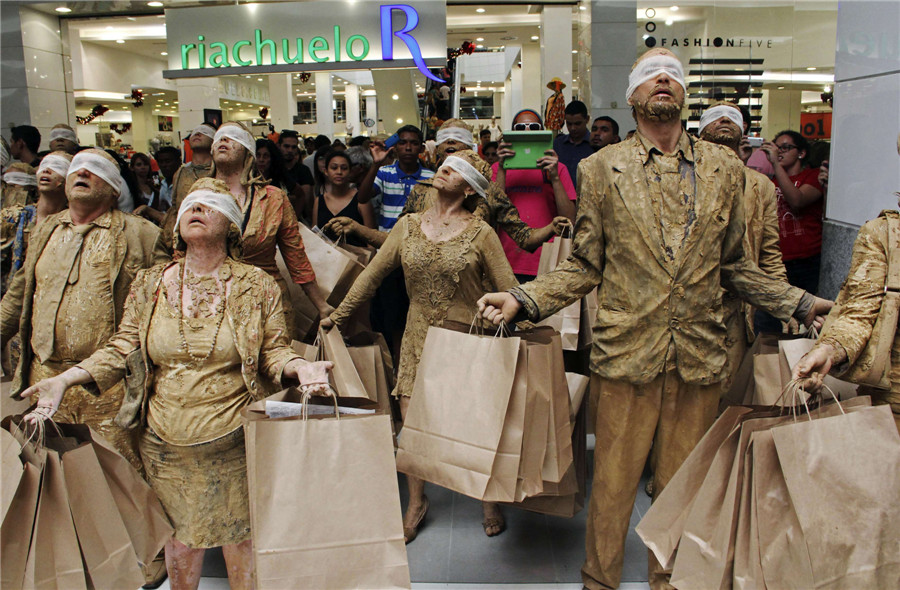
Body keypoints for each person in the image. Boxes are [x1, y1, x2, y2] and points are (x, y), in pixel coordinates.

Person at [476, 48, 832, 590]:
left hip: (700, 356)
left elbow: (736, 268)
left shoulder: (725, 172)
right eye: (649, 75)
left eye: (673, 75)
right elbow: (585, 265)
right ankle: (601, 580)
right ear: (633, 95)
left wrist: (801, 305)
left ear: (683, 94)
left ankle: (667, 582)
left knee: (680, 490)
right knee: (614, 489)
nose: (663, 79)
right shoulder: (599, 169)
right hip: (626, 358)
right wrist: (522, 301)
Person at [21, 178, 334, 590]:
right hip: (163, 442)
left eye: (209, 205)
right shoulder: (150, 283)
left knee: (241, 540)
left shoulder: (255, 286)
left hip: (233, 439)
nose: (196, 210)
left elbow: (273, 351)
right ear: (176, 225)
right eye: (189, 205)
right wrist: (66, 378)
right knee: (179, 543)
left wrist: (301, 368)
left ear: (232, 225)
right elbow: (121, 347)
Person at [322, 149, 519, 543]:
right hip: (416, 338)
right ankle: (416, 501)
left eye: (453, 170)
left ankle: (486, 497)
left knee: (473, 420)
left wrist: (516, 318)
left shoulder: (481, 233)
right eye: (443, 167)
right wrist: (338, 316)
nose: (441, 172)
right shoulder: (409, 225)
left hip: (466, 338)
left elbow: (509, 287)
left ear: (467, 188)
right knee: (412, 427)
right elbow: (373, 274)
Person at [0, 147, 168, 587]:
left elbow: (162, 302)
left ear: (114, 189)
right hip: (42, 376)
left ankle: (144, 560)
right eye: (76, 169)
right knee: (53, 472)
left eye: (94, 171)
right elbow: (20, 294)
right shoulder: (46, 230)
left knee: (120, 471)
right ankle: (75, 561)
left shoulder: (140, 234)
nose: (81, 175)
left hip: (107, 382)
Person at [325, 119, 567, 255]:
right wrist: (358, 228)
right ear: (436, 149)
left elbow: (525, 238)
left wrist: (551, 228)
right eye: (445, 140)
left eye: (457, 139)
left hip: (472, 288)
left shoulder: (489, 192)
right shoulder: (421, 191)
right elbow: (396, 241)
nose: (450, 142)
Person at [204, 122, 332, 330]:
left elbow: (296, 257)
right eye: (219, 137)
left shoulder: (273, 199)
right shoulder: (198, 197)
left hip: (267, 303)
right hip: (213, 305)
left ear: (248, 152)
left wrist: (321, 306)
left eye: (233, 136)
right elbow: (181, 256)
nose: (224, 140)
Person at [698, 102, 789, 387]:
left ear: (744, 133)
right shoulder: (680, 177)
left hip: (735, 307)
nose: (724, 119)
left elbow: (769, 251)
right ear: (700, 133)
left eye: (732, 118)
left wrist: (785, 302)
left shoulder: (760, 185)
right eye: (714, 117)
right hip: (689, 304)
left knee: (727, 392)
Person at [755, 130, 825, 333]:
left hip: (805, 261)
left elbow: (797, 200)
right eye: (776, 147)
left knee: (805, 322)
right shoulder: (770, 182)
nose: (779, 152)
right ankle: (768, 361)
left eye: (785, 147)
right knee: (767, 320)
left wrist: (775, 163)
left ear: (801, 153)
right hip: (776, 261)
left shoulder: (812, 176)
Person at [496, 109, 576, 282]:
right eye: (519, 128)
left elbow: (569, 218)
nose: (527, 131)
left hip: (547, 261)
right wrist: (502, 169)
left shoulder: (557, 168)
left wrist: (554, 177)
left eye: (533, 127)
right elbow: (492, 213)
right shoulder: (497, 169)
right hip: (505, 263)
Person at [1, 152, 70, 296]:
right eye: (44, 165)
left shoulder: (74, 224)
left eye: (57, 166)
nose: (46, 170)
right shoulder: (14, 217)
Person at [314, 150, 375, 247]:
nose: (339, 172)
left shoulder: (361, 201)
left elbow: (371, 240)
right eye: (334, 168)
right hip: (326, 259)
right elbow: (316, 237)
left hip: (358, 259)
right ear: (326, 171)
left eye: (344, 168)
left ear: (350, 171)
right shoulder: (319, 200)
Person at [256, 138, 307, 212]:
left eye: (266, 156)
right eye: (258, 155)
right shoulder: (247, 178)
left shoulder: (281, 178)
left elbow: (300, 195)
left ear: (272, 158)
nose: (261, 159)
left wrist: (294, 218)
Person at [553, 100, 595, 184]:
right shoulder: (558, 144)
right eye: (569, 124)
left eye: (577, 124)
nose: (573, 128)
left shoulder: (595, 144)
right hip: (561, 194)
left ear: (587, 119)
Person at [277, 130, 315, 218]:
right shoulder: (273, 169)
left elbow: (306, 201)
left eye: (293, 147)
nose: (290, 150)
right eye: (286, 146)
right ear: (279, 146)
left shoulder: (303, 171)